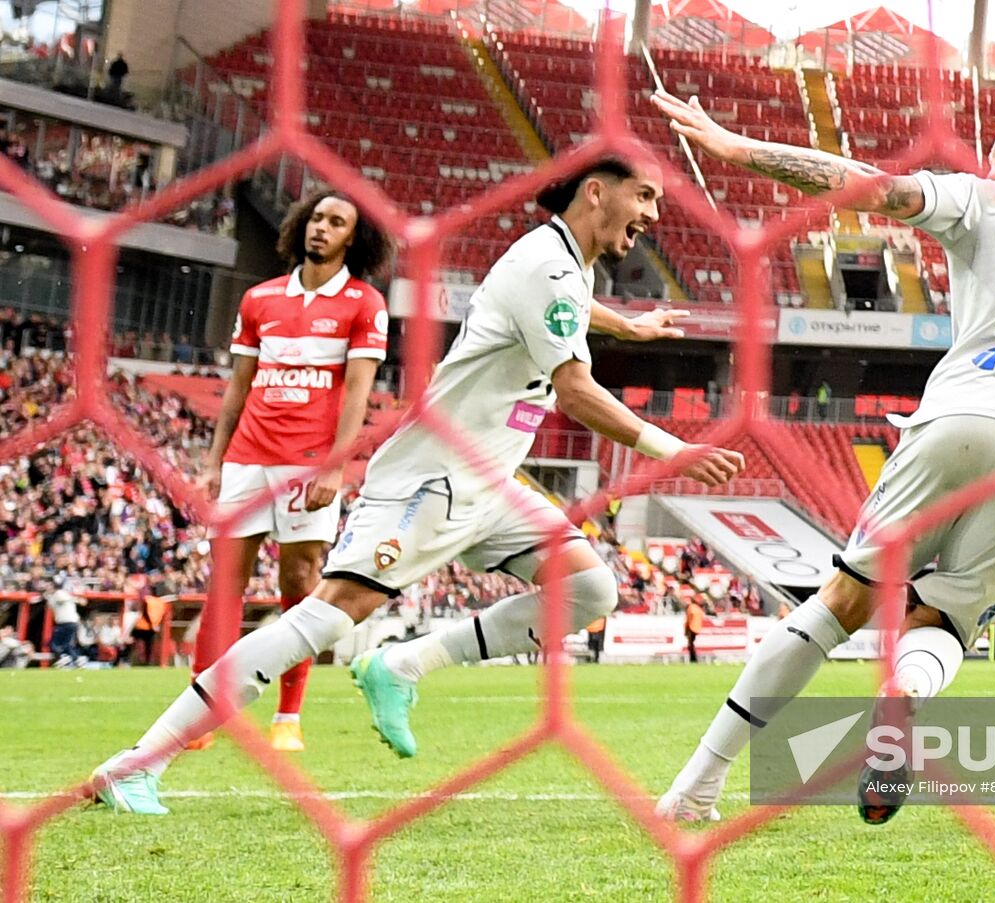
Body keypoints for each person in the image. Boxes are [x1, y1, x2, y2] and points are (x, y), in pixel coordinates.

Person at [91, 156, 747, 815]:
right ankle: (137, 762)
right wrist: (674, 450)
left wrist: (625, 325)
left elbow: (568, 304)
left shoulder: (566, 264)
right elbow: (575, 393)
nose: (654, 216)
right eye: (646, 197)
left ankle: (401, 665)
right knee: (321, 616)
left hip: (488, 483)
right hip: (429, 481)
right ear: (597, 191)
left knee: (589, 586)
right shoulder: (545, 264)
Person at [649, 91, 995, 825]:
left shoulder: (991, 197)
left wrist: (739, 149)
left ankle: (697, 788)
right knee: (947, 623)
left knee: (842, 602)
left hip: (966, 413)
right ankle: (903, 701)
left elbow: (873, 187)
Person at [185, 189, 391, 754]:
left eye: (336, 222)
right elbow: (237, 388)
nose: (321, 229)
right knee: (224, 582)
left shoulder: (363, 303)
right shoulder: (259, 299)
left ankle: (288, 713)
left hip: (307, 465)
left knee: (300, 585)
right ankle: (199, 712)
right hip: (248, 457)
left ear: (354, 237)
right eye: (316, 218)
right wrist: (213, 461)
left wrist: (336, 466)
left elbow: (357, 395)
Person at [685, 595, 705, 663]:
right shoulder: (698, 608)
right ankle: (694, 658)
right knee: (693, 644)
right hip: (698, 628)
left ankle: (693, 659)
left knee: (691, 644)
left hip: (692, 628)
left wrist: (686, 629)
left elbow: (688, 619)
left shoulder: (691, 607)